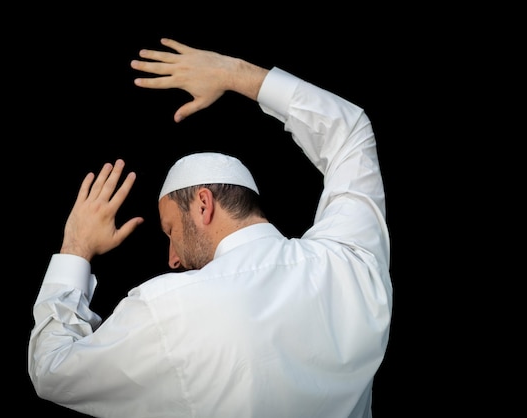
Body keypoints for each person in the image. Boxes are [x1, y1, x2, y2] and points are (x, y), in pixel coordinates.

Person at [28, 38, 393, 418]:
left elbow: (52, 369)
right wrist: (233, 73)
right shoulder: (351, 261)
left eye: (170, 230)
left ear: (203, 205)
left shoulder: (169, 308)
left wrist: (76, 248)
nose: (172, 258)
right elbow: (350, 132)